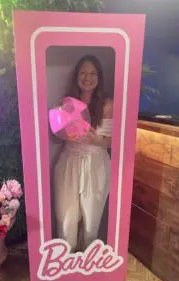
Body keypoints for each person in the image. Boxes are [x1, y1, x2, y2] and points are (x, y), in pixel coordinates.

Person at [54, 55, 113, 252]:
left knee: (91, 223)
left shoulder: (107, 104)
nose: (88, 78)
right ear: (76, 76)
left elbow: (112, 141)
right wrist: (60, 127)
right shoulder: (66, 104)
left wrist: (94, 140)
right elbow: (56, 138)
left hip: (96, 165)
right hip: (69, 162)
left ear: (99, 77)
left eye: (93, 73)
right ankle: (65, 264)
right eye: (83, 73)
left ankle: (87, 269)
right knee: (66, 220)